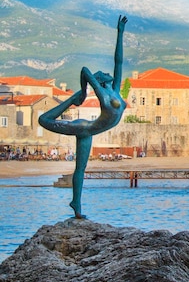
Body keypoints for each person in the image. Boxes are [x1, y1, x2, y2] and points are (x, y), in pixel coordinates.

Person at [39, 15, 128, 219]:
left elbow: (119, 61)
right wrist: (82, 92)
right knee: (43, 120)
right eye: (104, 73)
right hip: (83, 127)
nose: (109, 72)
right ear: (100, 80)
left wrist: (120, 32)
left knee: (81, 168)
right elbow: (85, 70)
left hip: (89, 131)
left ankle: (76, 205)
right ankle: (71, 100)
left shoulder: (114, 89)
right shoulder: (103, 94)